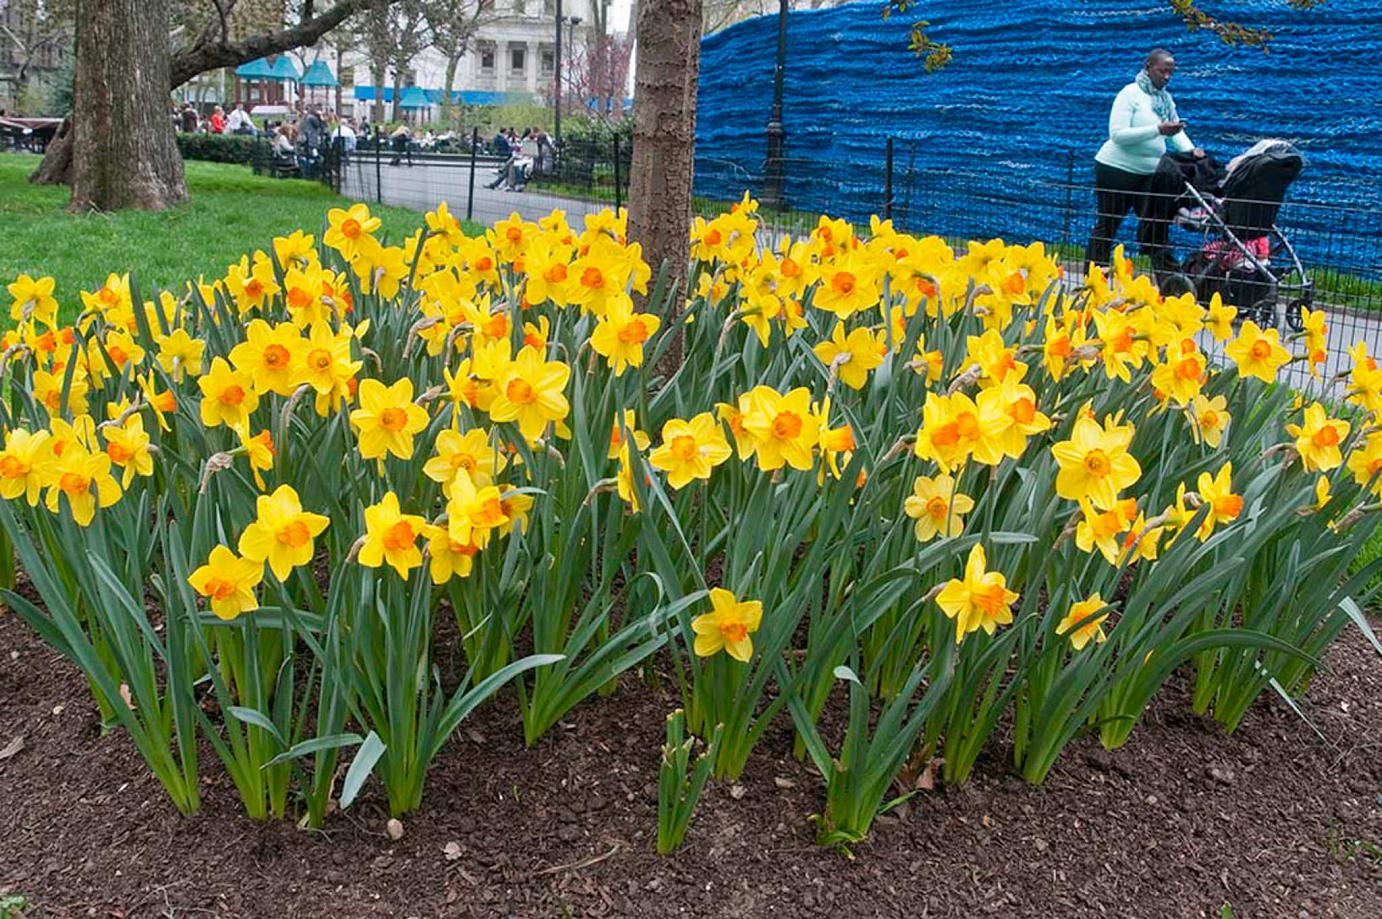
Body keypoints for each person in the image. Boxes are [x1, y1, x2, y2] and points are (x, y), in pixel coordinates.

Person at [1086, 48, 1205, 272]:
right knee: (1109, 223)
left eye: (1171, 72)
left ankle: (1171, 283)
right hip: (1116, 170)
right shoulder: (1130, 94)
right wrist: (1157, 129)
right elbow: (1118, 135)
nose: (1167, 77)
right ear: (1148, 68)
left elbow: (1176, 133)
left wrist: (1193, 153)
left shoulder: (1165, 100)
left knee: (1154, 227)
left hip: (1149, 174)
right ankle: (1092, 279)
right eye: (1162, 71)